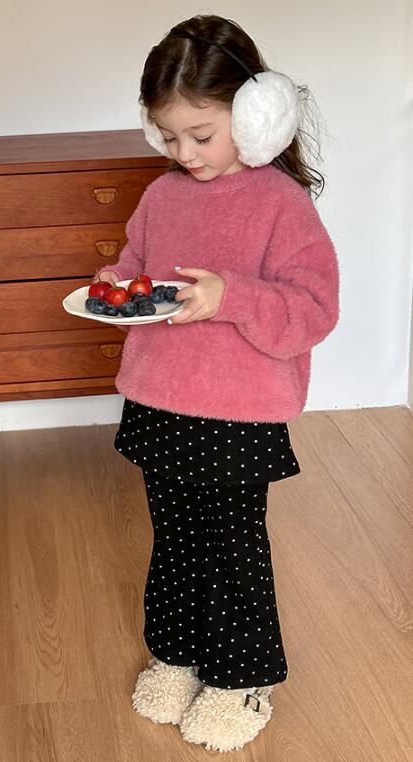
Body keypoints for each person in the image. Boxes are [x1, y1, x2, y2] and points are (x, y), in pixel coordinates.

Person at [93, 14, 340, 754]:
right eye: (169, 136)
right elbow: (135, 263)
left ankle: (241, 680)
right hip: (159, 399)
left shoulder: (280, 204)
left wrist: (230, 296)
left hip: (238, 412)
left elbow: (313, 309)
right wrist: (115, 284)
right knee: (173, 537)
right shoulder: (162, 196)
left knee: (232, 546)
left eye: (201, 135)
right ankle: (177, 655)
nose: (184, 154)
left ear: (255, 114)